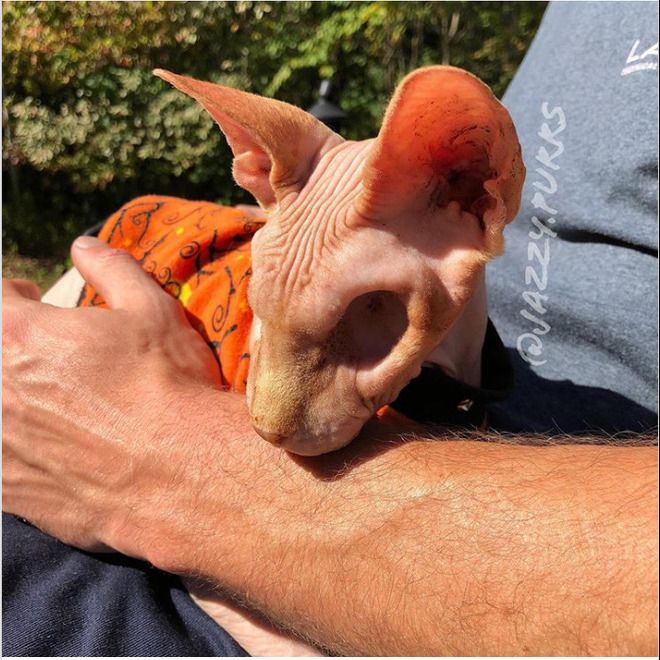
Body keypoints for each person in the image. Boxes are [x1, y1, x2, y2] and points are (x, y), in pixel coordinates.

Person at [3, 2, 658, 656]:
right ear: (258, 168)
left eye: (364, 311)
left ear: (478, 196)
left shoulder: (453, 220)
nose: (268, 421)